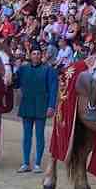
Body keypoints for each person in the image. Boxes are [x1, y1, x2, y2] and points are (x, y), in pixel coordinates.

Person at [13, 45, 58, 173]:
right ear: (30, 55)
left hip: (41, 105)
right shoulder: (22, 69)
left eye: (38, 53)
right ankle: (26, 163)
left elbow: (53, 89)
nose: (36, 56)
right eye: (34, 53)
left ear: (42, 55)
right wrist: (13, 74)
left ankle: (37, 163)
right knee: (26, 135)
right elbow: (15, 84)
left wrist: (51, 106)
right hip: (27, 104)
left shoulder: (48, 70)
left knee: (39, 135)